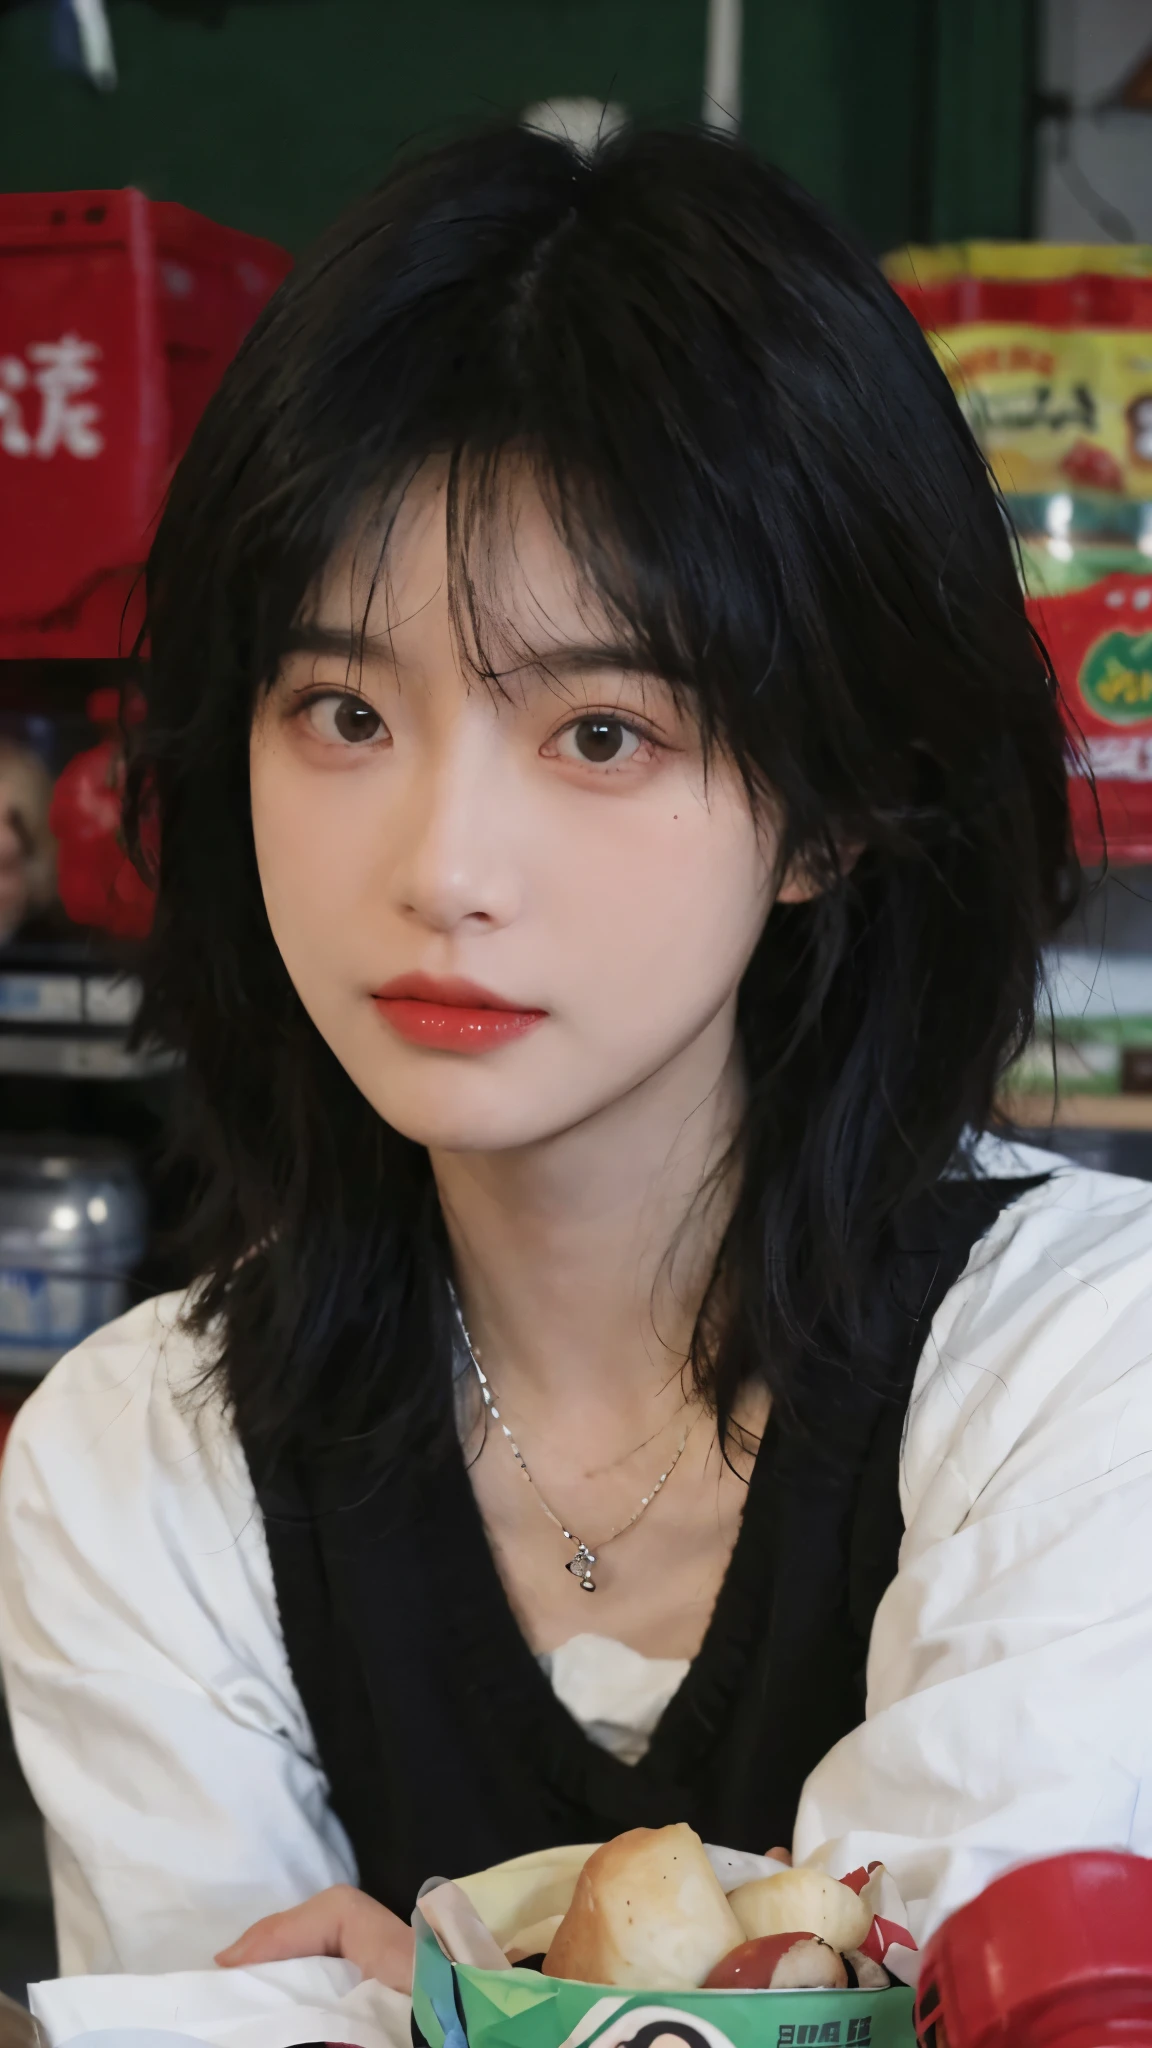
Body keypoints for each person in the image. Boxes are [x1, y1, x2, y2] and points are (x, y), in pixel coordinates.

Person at [1, 121, 1151, 2014]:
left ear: (834, 803)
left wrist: (425, 2012)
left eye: (602, 731)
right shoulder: (139, 1465)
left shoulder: (1082, 1369)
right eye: (343, 710)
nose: (443, 868)